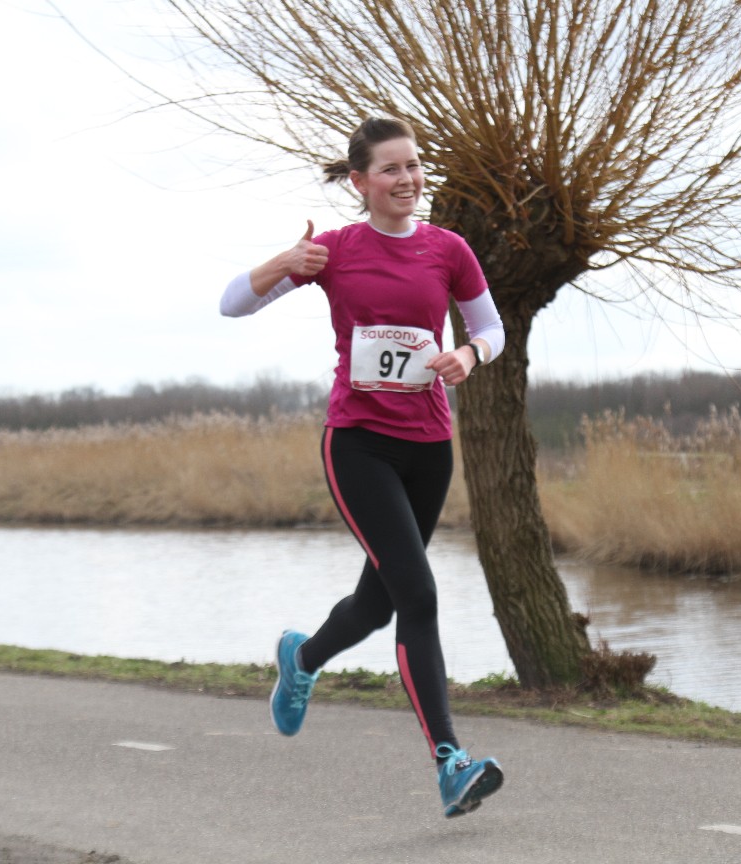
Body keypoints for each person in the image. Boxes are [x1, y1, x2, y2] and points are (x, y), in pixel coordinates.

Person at [219, 116, 507, 818]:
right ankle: (450, 762)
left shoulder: (448, 249)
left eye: (414, 165)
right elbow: (232, 304)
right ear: (360, 181)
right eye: (391, 169)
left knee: (379, 605)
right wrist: (285, 261)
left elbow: (490, 327)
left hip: (429, 445)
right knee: (420, 595)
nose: (408, 179)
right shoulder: (334, 251)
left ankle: (302, 658)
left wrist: (467, 355)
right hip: (359, 444)